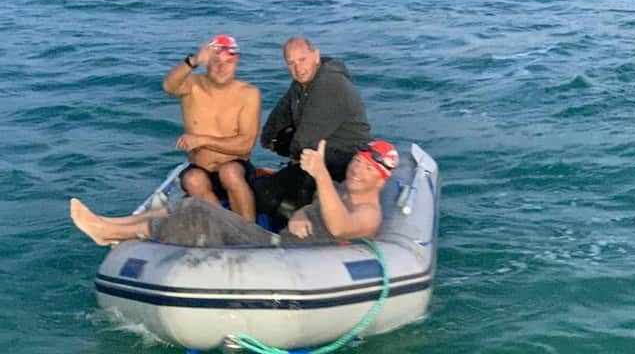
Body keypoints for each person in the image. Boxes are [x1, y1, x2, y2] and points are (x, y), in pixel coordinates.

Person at [69, 139, 399, 247]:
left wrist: (322, 174)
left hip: (281, 256)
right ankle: (113, 224)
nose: (357, 169)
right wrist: (299, 214)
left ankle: (111, 233)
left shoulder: (368, 212)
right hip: (278, 242)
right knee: (195, 202)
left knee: (198, 213)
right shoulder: (344, 190)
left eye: (368, 168)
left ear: (381, 179)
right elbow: (316, 206)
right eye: (357, 162)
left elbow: (340, 227)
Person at [254, 36, 371, 219]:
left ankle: (293, 216)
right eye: (291, 63)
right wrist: (268, 138)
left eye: (302, 59)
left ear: (316, 56)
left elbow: (306, 140)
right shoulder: (302, 83)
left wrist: (292, 159)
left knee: (261, 195)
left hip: (344, 157)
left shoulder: (329, 84)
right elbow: (281, 113)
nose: (298, 68)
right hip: (322, 152)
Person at [162, 34, 261, 222]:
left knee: (229, 173)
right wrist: (194, 61)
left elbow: (246, 145)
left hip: (235, 168)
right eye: (216, 61)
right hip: (201, 168)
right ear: (207, 62)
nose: (221, 68)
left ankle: (250, 228)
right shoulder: (192, 86)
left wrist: (203, 140)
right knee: (193, 180)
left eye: (228, 62)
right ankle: (223, 226)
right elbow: (169, 86)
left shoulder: (248, 93)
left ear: (236, 62)